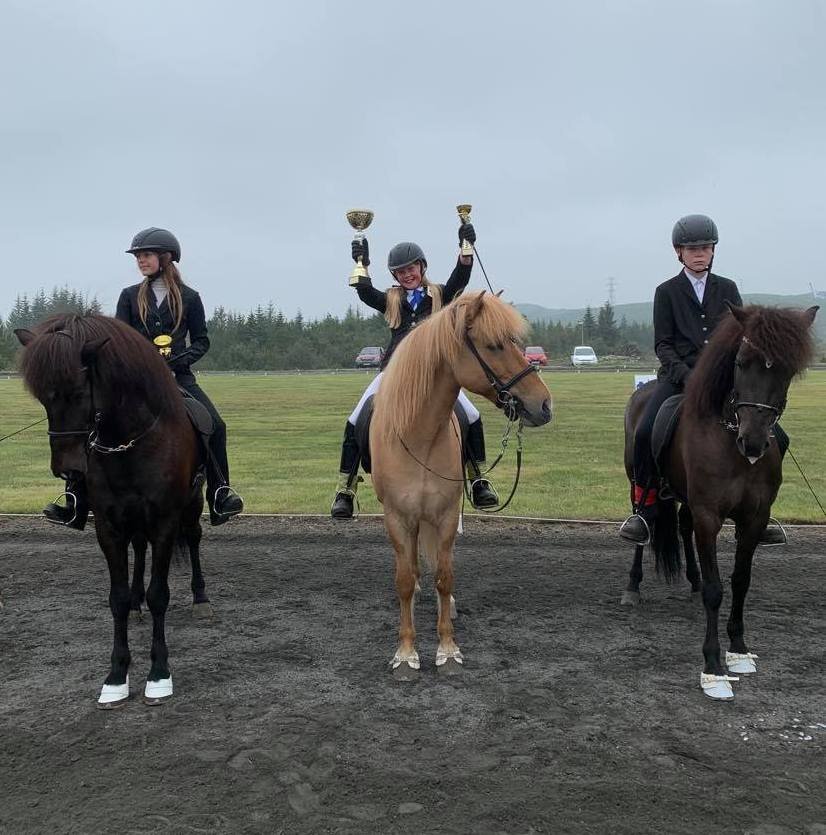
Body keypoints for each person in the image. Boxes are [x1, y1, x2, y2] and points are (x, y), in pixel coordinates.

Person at [43, 227, 244, 528]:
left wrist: (178, 361)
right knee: (90, 422)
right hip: (135, 382)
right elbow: (120, 339)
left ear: (165, 258)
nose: (140, 260)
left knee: (215, 425)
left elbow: (201, 341)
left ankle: (219, 493)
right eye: (138, 256)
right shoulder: (128, 297)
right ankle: (75, 500)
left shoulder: (190, 298)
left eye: (146, 255)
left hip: (179, 379)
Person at [619, 214, 787, 546]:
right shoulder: (666, 292)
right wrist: (690, 375)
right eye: (692, 248)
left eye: (706, 247)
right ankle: (643, 509)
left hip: (723, 382)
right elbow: (663, 345)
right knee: (647, 431)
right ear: (678, 252)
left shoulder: (728, 288)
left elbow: (741, 338)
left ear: (713, 251)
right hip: (676, 378)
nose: (700, 253)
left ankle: (762, 510)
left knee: (778, 436)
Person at [330, 221, 499, 519]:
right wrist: (361, 262)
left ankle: (478, 479)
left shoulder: (440, 295)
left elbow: (460, 278)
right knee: (355, 417)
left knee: (471, 415)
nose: (408, 274)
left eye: (412, 268)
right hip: (394, 372)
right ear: (395, 275)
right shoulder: (391, 300)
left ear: (422, 267)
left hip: (434, 374)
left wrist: (466, 251)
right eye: (401, 271)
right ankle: (345, 488)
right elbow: (364, 291)